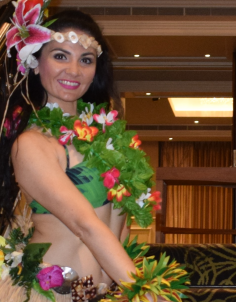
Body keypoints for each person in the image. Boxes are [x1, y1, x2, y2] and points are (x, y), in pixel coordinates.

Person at [0, 1, 186, 301]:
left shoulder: (112, 139)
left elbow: (119, 229)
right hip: (52, 295)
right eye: (60, 56)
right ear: (35, 62)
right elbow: (85, 225)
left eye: (86, 60)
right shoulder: (32, 144)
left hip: (109, 293)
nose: (74, 70)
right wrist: (145, 293)